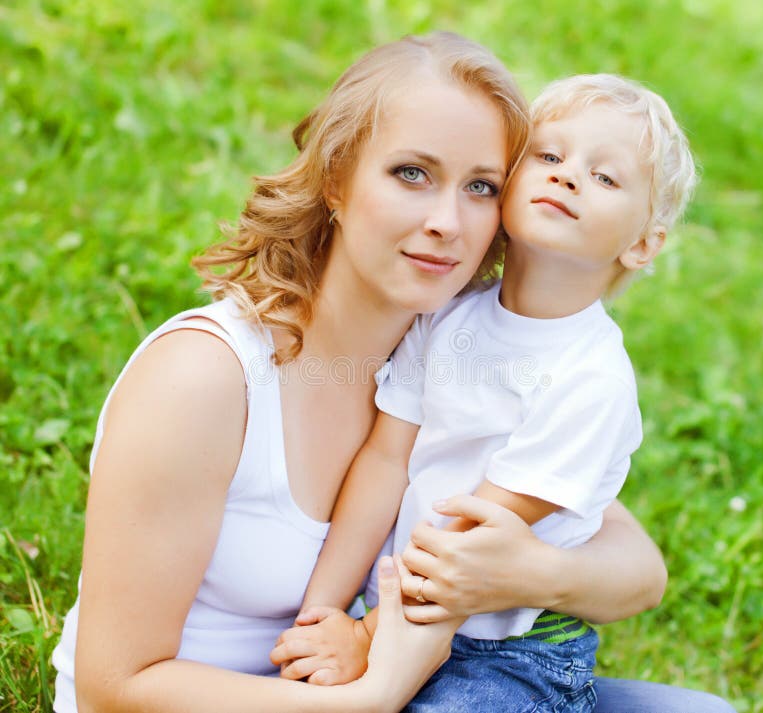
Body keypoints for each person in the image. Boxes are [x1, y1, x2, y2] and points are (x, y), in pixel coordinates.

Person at [49, 31, 733, 713]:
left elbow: (638, 568)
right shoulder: (204, 378)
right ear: (337, 179)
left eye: (480, 186)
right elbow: (115, 688)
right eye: (412, 173)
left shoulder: (454, 348)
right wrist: (369, 694)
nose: (446, 221)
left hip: (422, 667)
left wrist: (532, 571)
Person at [269, 74, 709, 712]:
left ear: (643, 244)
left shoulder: (591, 379)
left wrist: (366, 638)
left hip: (512, 650)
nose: (568, 177)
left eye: (606, 178)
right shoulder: (448, 315)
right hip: (401, 607)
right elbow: (384, 462)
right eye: (550, 156)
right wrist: (323, 612)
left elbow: (473, 537)